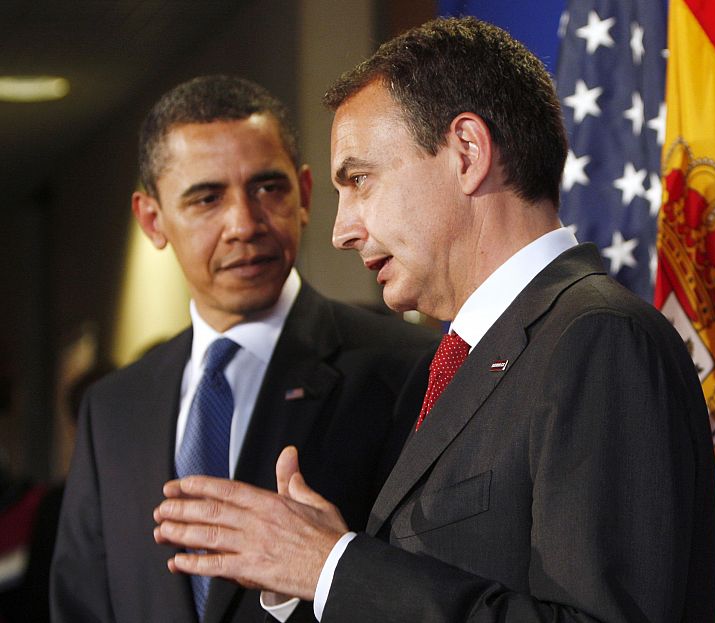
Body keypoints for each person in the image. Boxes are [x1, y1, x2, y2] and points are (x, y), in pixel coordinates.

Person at [153, 19, 715, 622]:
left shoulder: (600, 340)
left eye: (360, 180)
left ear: (467, 153)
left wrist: (335, 568)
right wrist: (318, 576)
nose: (342, 230)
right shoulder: (458, 359)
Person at [50, 75, 436, 623]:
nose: (244, 224)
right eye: (207, 198)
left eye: (268, 188)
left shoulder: (407, 368)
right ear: (153, 220)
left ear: (304, 195)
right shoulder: (113, 408)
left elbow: (434, 591)